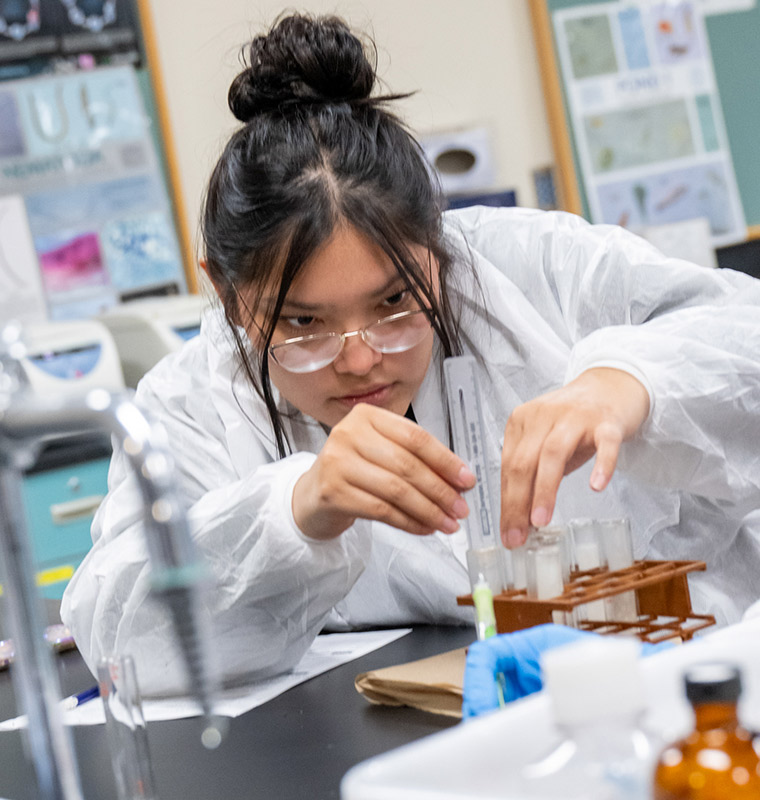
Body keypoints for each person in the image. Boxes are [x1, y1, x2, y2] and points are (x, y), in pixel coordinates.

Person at [60, 13, 760, 696]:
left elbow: (739, 329)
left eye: (395, 303)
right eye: (304, 322)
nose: (361, 360)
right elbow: (119, 633)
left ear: (439, 247)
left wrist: (627, 382)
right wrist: (295, 511)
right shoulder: (193, 402)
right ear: (225, 291)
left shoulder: (533, 270)